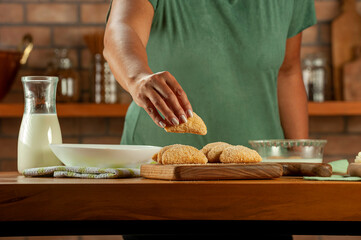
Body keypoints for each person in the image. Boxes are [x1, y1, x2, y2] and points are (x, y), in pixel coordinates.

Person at [104, 0, 316, 239]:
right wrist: (138, 78)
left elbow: (288, 70)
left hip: (261, 187)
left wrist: (300, 162)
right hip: (157, 188)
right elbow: (121, 29)